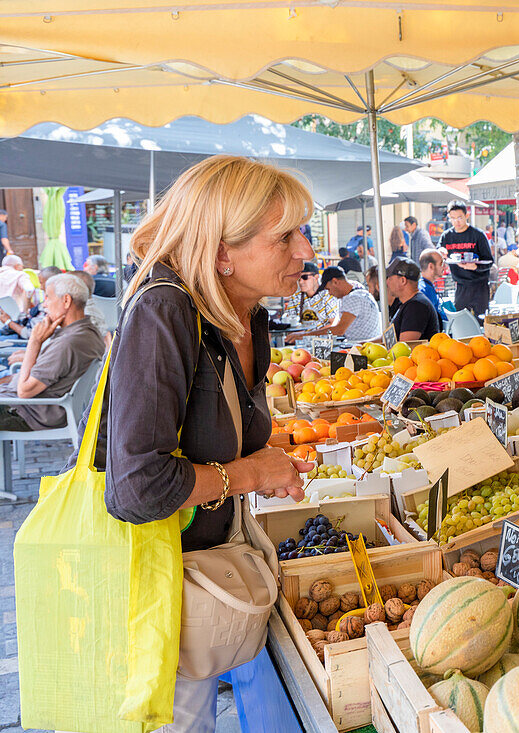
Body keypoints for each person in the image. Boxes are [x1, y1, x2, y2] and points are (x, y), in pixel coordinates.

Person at [71, 156, 313, 729]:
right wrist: (252, 474)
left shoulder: (245, 315)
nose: (305, 252)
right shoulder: (165, 310)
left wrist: (259, 468)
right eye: (285, 237)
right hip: (151, 598)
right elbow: (138, 489)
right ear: (222, 252)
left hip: (196, 585)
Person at [0, 273, 103, 429]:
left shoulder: (69, 343)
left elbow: (24, 392)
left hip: (29, 411)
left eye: (47, 297)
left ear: (66, 300)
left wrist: (35, 342)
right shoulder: (88, 331)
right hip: (36, 407)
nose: (44, 304)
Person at [289, 266, 382, 343]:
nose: (329, 293)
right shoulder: (357, 291)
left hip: (362, 346)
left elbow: (339, 330)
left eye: (328, 289)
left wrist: (304, 335)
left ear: (335, 282)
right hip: (364, 343)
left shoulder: (353, 298)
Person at [439, 200, 493, 317]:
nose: (456, 222)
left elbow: (489, 261)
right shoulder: (446, 236)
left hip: (480, 285)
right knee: (461, 320)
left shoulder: (478, 235)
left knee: (481, 321)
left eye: (459, 218)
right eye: (452, 218)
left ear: (466, 215)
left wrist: (475, 267)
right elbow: (438, 253)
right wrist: (441, 252)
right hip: (460, 285)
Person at [386, 258, 441, 342]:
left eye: (389, 278)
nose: (387, 282)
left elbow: (405, 346)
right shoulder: (408, 303)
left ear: (402, 280)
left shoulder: (416, 307)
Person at [283, 261, 338, 327]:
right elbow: (289, 321)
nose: (301, 282)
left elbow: (334, 323)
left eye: (305, 277)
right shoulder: (296, 297)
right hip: (300, 336)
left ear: (316, 277)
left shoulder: (328, 295)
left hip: (321, 336)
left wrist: (311, 334)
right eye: (298, 279)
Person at [418, 249, 448, 327]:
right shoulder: (425, 290)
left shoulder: (427, 287)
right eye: (441, 264)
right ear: (431, 266)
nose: (444, 267)